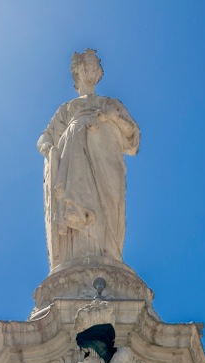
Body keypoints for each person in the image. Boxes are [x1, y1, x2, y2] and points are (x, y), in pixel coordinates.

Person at [38, 49, 140, 271]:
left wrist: (111, 117)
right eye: (88, 65)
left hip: (107, 154)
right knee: (79, 199)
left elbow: (132, 138)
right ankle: (77, 237)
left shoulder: (111, 103)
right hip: (74, 158)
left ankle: (110, 254)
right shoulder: (68, 109)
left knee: (113, 202)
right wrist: (48, 149)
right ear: (77, 71)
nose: (92, 69)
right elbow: (45, 137)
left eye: (96, 66)